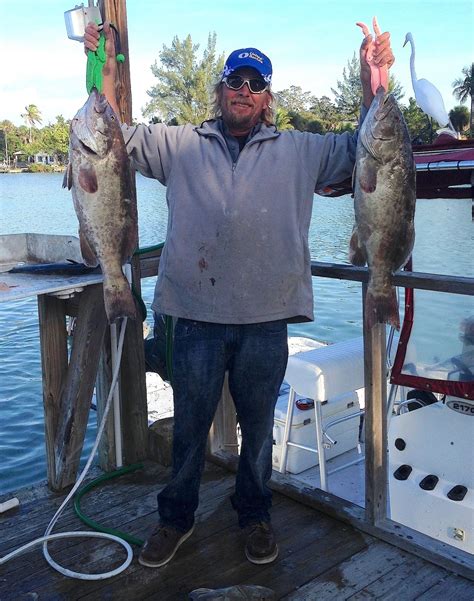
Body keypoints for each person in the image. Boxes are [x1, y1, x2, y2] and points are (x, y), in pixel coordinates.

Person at [84, 22, 394, 569]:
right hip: (195, 318)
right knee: (189, 430)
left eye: (255, 82)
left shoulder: (302, 150)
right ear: (221, 89)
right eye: (236, 80)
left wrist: (376, 78)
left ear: (267, 97)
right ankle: (173, 520)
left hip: (267, 318)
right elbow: (110, 139)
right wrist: (102, 69)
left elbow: (371, 146)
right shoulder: (179, 143)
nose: (244, 90)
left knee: (256, 434)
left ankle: (254, 515)